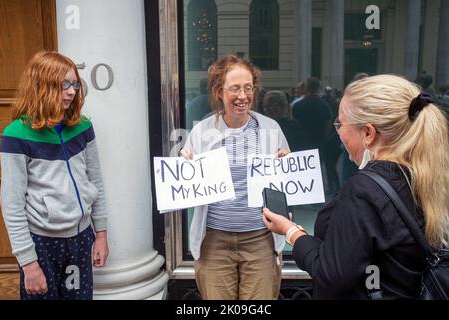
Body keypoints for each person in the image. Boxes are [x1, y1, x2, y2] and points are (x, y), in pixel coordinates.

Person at [263, 74, 449, 299]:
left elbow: (331, 273)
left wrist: (290, 231)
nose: (337, 130)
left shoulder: (364, 190)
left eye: (340, 123)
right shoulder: (418, 174)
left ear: (369, 133)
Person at [0, 51, 109, 300]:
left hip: (81, 239)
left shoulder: (83, 127)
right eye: (63, 85)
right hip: (42, 243)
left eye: (74, 84)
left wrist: (101, 234)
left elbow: (96, 183)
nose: (71, 91)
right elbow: (12, 205)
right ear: (41, 87)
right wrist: (28, 263)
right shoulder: (16, 135)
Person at [180, 54, 290, 300]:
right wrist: (185, 167)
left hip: (260, 239)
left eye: (248, 88)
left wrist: (288, 166)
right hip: (214, 242)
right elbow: (187, 188)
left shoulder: (271, 129)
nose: (243, 96)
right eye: (235, 89)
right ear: (219, 92)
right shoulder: (201, 132)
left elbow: (282, 187)